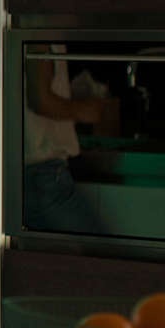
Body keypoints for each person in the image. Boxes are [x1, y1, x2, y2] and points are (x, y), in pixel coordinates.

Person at [22, 44, 102, 233]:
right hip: (43, 173)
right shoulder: (40, 35)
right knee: (95, 249)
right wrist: (85, 111)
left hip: (32, 173)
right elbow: (40, 99)